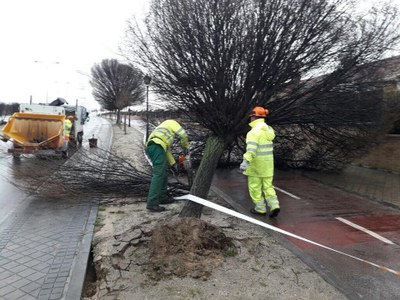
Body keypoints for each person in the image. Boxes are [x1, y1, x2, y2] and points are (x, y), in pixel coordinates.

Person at [240, 106, 280, 218]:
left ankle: (260, 208)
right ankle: (274, 205)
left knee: (255, 187)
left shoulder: (253, 132)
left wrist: (245, 161)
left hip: (256, 166)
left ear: (253, 117)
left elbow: (251, 150)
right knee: (268, 186)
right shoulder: (269, 130)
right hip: (268, 165)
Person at [146, 119, 189, 212]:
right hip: (156, 146)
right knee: (158, 174)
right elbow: (184, 135)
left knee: (164, 173)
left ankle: (162, 197)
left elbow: (167, 151)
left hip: (156, 147)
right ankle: (152, 203)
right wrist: (185, 147)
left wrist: (174, 164)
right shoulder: (172, 122)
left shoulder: (164, 130)